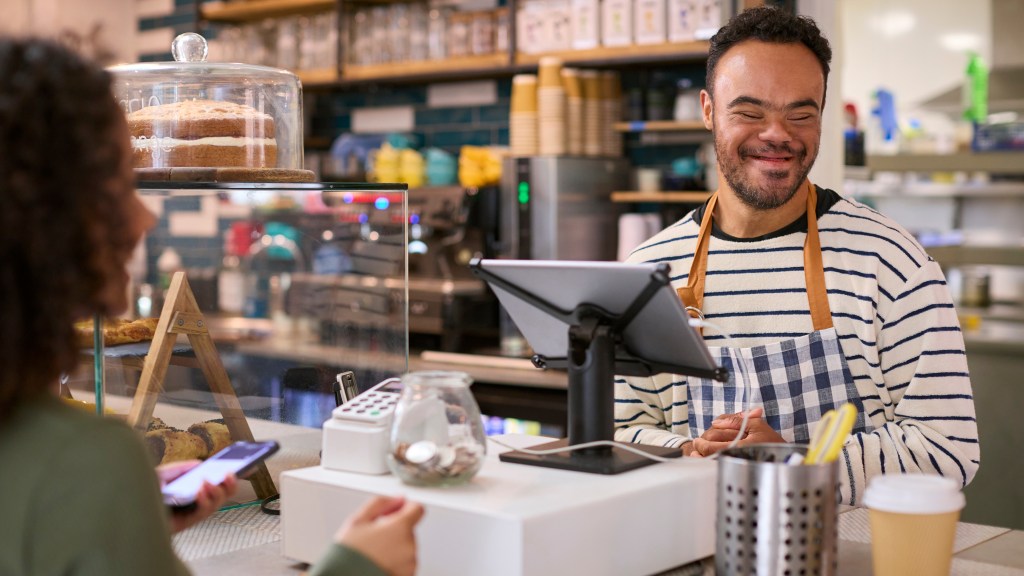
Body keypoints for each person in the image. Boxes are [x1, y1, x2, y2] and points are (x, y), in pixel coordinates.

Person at [0, 37, 422, 576]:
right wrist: (359, 565)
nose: (144, 219)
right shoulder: (88, 461)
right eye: (117, 185)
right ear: (40, 219)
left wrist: (126, 520)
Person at [614, 6, 978, 505]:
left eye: (800, 114)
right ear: (707, 110)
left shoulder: (890, 262)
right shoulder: (649, 271)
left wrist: (797, 461)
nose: (777, 134)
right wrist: (691, 453)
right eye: (749, 111)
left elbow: (948, 448)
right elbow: (617, 431)